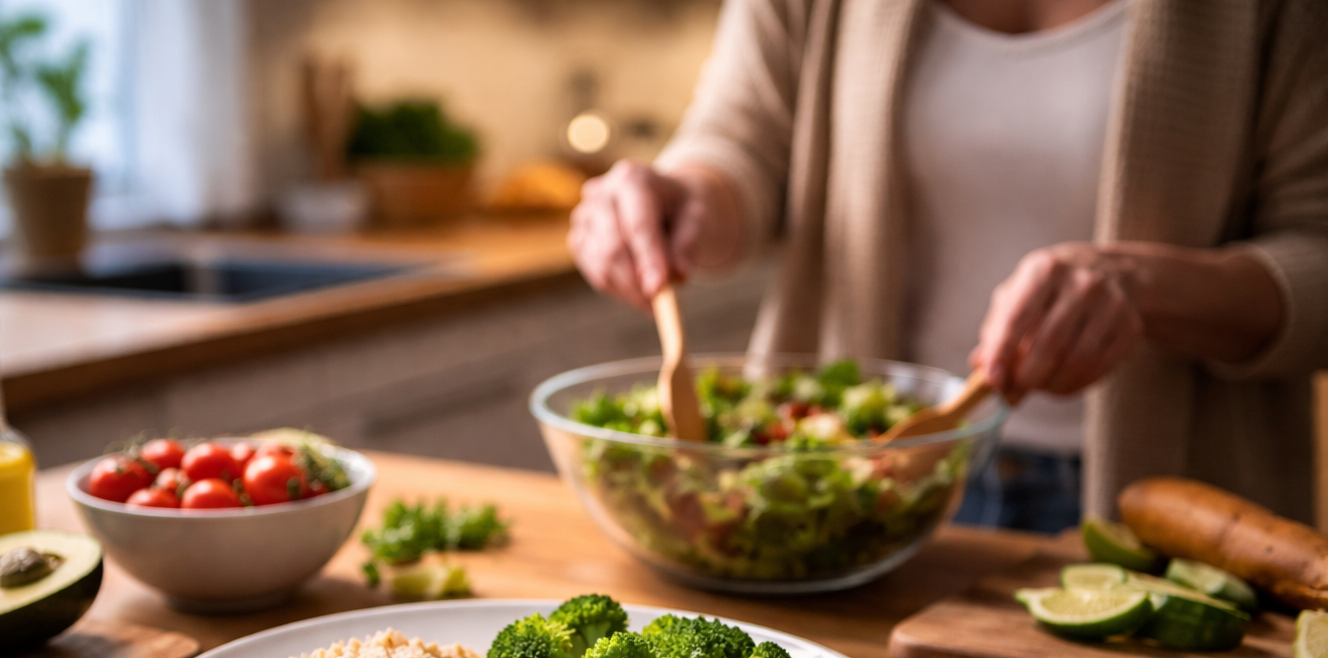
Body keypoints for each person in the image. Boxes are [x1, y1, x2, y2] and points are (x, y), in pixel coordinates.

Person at [568, 0, 1328, 530]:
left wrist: (1152, 291)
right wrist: (685, 194)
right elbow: (742, 137)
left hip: (1168, 501)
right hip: (858, 495)